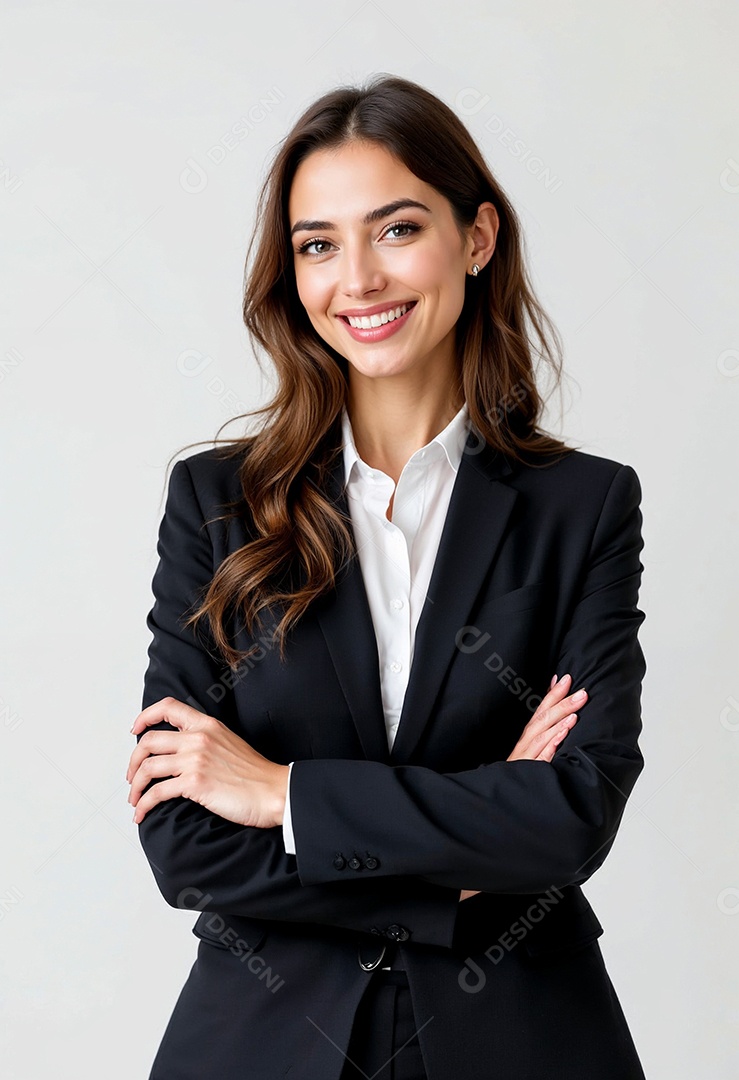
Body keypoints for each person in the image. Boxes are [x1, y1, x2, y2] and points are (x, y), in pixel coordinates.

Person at [127, 73, 648, 1080]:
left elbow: (572, 816)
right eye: (318, 243)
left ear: (478, 238)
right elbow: (185, 845)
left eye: (396, 229)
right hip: (262, 1042)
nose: (355, 278)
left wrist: (283, 795)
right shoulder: (214, 503)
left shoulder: (582, 507)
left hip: (523, 1040)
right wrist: (463, 852)